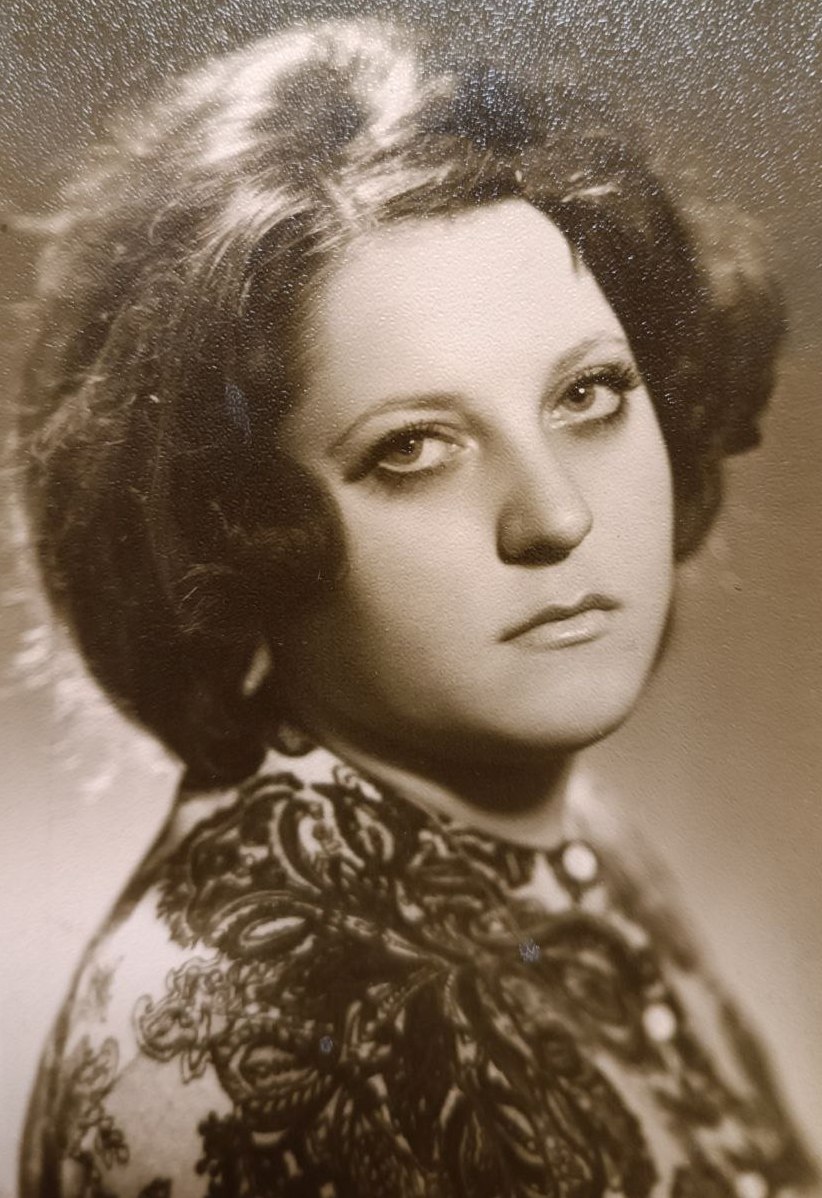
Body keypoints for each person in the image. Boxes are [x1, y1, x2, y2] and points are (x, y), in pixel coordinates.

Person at [15, 18, 818, 1198]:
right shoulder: (233, 1036)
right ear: (239, 528)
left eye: (590, 392)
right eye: (414, 449)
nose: (556, 515)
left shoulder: (563, 829)